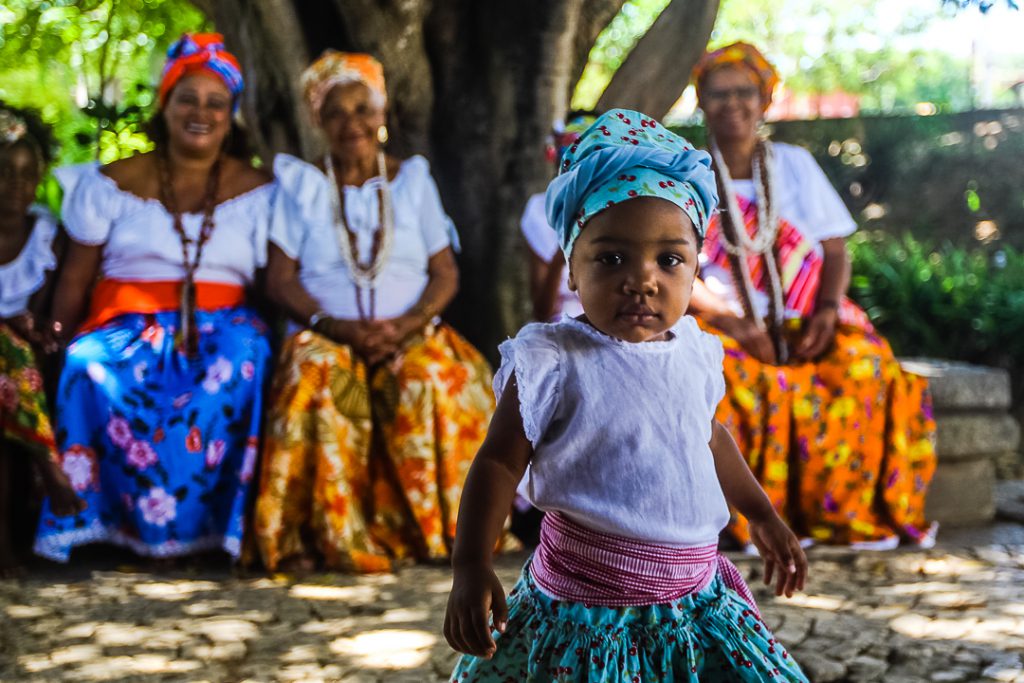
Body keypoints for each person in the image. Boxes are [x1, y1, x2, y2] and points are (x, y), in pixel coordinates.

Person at [444, 109, 809, 681]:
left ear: (695, 271)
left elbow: (711, 439)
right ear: (571, 267)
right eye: (611, 258)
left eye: (669, 259)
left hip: (694, 600)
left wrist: (761, 514)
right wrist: (470, 564)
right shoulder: (551, 359)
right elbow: (497, 459)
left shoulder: (695, 351)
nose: (643, 278)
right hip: (583, 613)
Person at [33, 33, 274, 563]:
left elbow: (273, 283)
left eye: (216, 103)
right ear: (164, 104)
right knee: (86, 364)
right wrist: (54, 342)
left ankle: (214, 536)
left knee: (244, 359)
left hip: (223, 324)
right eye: (186, 98)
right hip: (124, 322)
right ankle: (95, 528)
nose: (200, 113)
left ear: (232, 114)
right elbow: (75, 278)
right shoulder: (109, 184)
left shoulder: (260, 189)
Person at [254, 51, 497, 574]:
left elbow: (445, 273)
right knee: (313, 376)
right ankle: (323, 536)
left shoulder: (412, 181)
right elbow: (279, 278)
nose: (352, 123)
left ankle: (438, 532)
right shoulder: (302, 186)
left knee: (435, 378)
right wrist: (338, 327)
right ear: (317, 120)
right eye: (336, 112)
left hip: (410, 332)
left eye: (363, 109)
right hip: (326, 333)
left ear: (382, 116)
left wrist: (406, 327)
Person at [689, 42, 937, 549]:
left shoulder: (794, 164)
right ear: (701, 102)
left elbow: (835, 251)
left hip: (806, 319)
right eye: (718, 95)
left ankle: (840, 518)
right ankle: (746, 522)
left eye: (744, 92)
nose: (732, 104)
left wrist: (826, 311)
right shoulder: (688, 169)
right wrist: (735, 324)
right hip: (721, 323)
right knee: (720, 377)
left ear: (764, 100)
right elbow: (672, 264)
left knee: (864, 368)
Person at [0, 103, 83, 574]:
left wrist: (29, 327)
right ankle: (48, 465)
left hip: (20, 372)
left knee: (13, 353)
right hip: (14, 369)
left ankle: (8, 542)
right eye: (3, 172)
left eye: (26, 174)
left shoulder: (46, 236)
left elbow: (42, 316)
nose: (14, 185)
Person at [520, 112, 597, 323]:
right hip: (560, 327)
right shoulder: (539, 210)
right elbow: (542, 311)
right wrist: (561, 255)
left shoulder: (623, 210)